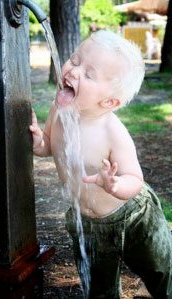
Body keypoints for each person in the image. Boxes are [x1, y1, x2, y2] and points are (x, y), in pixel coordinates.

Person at [29, 30, 172, 299]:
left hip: (132, 217)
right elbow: (49, 144)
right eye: (74, 59)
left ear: (109, 102)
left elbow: (135, 178)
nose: (73, 70)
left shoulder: (112, 132)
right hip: (89, 223)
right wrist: (39, 142)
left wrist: (115, 184)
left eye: (89, 74)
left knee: (160, 271)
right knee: (98, 288)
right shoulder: (58, 109)